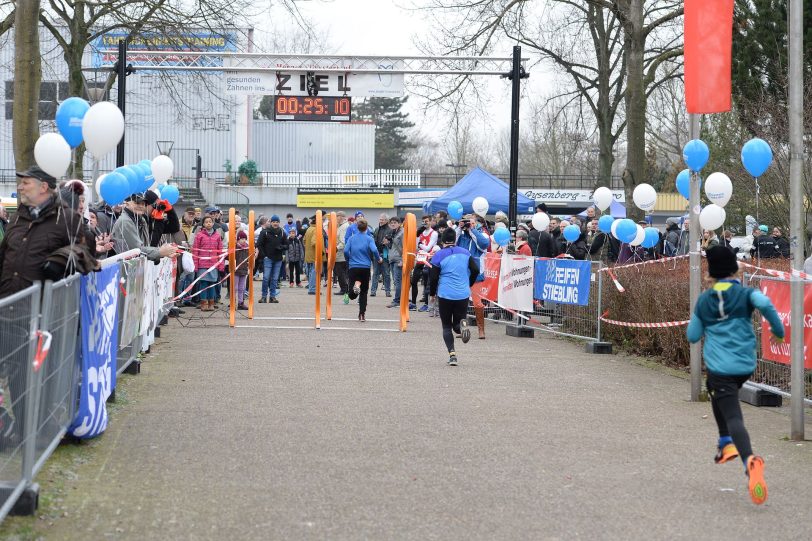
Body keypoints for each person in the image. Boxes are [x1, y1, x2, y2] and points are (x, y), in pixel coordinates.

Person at [686, 246, 784, 505]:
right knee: (715, 391)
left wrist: (704, 322)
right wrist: (778, 331)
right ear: (733, 269)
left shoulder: (704, 301)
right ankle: (725, 442)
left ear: (710, 273)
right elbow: (765, 303)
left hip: (721, 367)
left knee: (732, 413)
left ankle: (749, 460)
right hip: (745, 365)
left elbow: (693, 336)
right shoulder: (746, 294)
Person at [0, 167, 102, 299]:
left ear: (43, 187)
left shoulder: (67, 218)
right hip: (7, 304)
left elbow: (85, 253)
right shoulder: (17, 217)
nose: (20, 187)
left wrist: (62, 258)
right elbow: (3, 255)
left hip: (45, 309)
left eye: (26, 183)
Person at [429, 228, 480, 366]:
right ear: (454, 240)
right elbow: (475, 270)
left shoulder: (439, 255)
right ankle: (463, 326)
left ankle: (452, 355)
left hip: (445, 294)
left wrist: (432, 294)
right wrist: (469, 283)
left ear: (442, 240)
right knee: (457, 323)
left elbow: (433, 278)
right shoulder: (465, 252)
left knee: (446, 326)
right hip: (462, 293)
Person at [111, 190, 178, 262]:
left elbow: (147, 245)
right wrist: (160, 252)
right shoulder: (125, 221)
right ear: (127, 204)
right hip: (125, 266)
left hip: (136, 264)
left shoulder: (141, 219)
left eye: (144, 204)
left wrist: (170, 211)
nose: (141, 206)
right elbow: (137, 249)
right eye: (137, 203)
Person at [456, 213, 491, 339]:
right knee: (461, 302)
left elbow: (483, 244)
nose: (466, 223)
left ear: (476, 222)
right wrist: (459, 228)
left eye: (470, 221)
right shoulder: (461, 234)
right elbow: (450, 242)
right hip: (460, 272)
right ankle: (463, 329)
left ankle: (481, 330)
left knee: (477, 303)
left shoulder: (482, 233)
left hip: (475, 273)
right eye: (465, 221)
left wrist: (472, 229)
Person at [343, 217, 381, 322]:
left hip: (353, 266)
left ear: (357, 228)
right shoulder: (369, 238)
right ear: (366, 228)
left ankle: (356, 286)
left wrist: (348, 259)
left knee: (351, 295)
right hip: (365, 267)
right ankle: (362, 314)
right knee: (364, 293)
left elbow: (346, 251)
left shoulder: (351, 238)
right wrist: (379, 259)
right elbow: (374, 249)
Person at [192, 215, 224, 311]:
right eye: (206, 222)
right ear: (203, 224)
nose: (208, 223)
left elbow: (220, 251)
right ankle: (204, 303)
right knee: (203, 284)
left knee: (212, 284)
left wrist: (220, 264)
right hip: (202, 264)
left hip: (213, 264)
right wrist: (195, 265)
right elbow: (195, 251)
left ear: (213, 223)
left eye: (210, 221)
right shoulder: (199, 235)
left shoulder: (218, 236)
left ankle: (211, 303)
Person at [256, 214, 287, 303]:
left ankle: (272, 297)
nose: (275, 223)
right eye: (273, 222)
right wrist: (264, 256)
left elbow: (287, 244)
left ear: (279, 223)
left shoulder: (282, 232)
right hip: (268, 259)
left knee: (274, 279)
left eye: (277, 222)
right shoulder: (265, 232)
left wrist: (281, 247)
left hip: (278, 259)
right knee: (266, 278)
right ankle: (263, 296)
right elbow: (259, 244)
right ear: (271, 223)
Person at [371, 213, 391, 297]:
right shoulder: (376, 229)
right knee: (375, 273)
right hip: (376, 254)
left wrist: (387, 243)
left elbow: (390, 243)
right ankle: (373, 291)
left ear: (386, 220)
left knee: (386, 273)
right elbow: (373, 240)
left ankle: (388, 291)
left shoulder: (390, 230)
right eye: (380, 219)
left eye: (382, 219)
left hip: (385, 254)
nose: (381, 221)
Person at [386, 216, 404, 308]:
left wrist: (402, 260)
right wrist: (387, 243)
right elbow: (393, 246)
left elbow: (405, 247)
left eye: (395, 222)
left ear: (399, 223)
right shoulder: (393, 232)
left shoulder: (402, 233)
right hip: (392, 259)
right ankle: (399, 298)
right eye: (391, 223)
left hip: (398, 260)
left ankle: (397, 300)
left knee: (398, 281)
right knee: (396, 281)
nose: (393, 224)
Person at [334, 211, 350, 301]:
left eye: (337, 216)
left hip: (341, 253)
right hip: (340, 252)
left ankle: (344, 289)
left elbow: (343, 241)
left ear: (342, 217)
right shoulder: (341, 226)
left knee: (340, 271)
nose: (336, 218)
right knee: (340, 271)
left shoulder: (344, 227)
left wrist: (336, 248)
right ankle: (344, 288)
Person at [233, 230, 250, 310]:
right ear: (238, 239)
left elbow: (250, 258)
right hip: (236, 270)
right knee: (235, 287)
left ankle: (241, 303)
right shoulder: (235, 247)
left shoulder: (247, 247)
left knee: (242, 288)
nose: (243, 240)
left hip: (244, 270)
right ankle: (233, 301)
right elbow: (229, 257)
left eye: (245, 239)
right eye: (242, 238)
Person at [303, 215, 318, 295]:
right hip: (314, 254)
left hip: (308, 254)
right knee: (314, 271)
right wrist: (321, 251)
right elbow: (314, 242)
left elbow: (304, 241)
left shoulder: (309, 229)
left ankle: (311, 287)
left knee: (310, 271)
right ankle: (312, 288)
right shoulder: (316, 230)